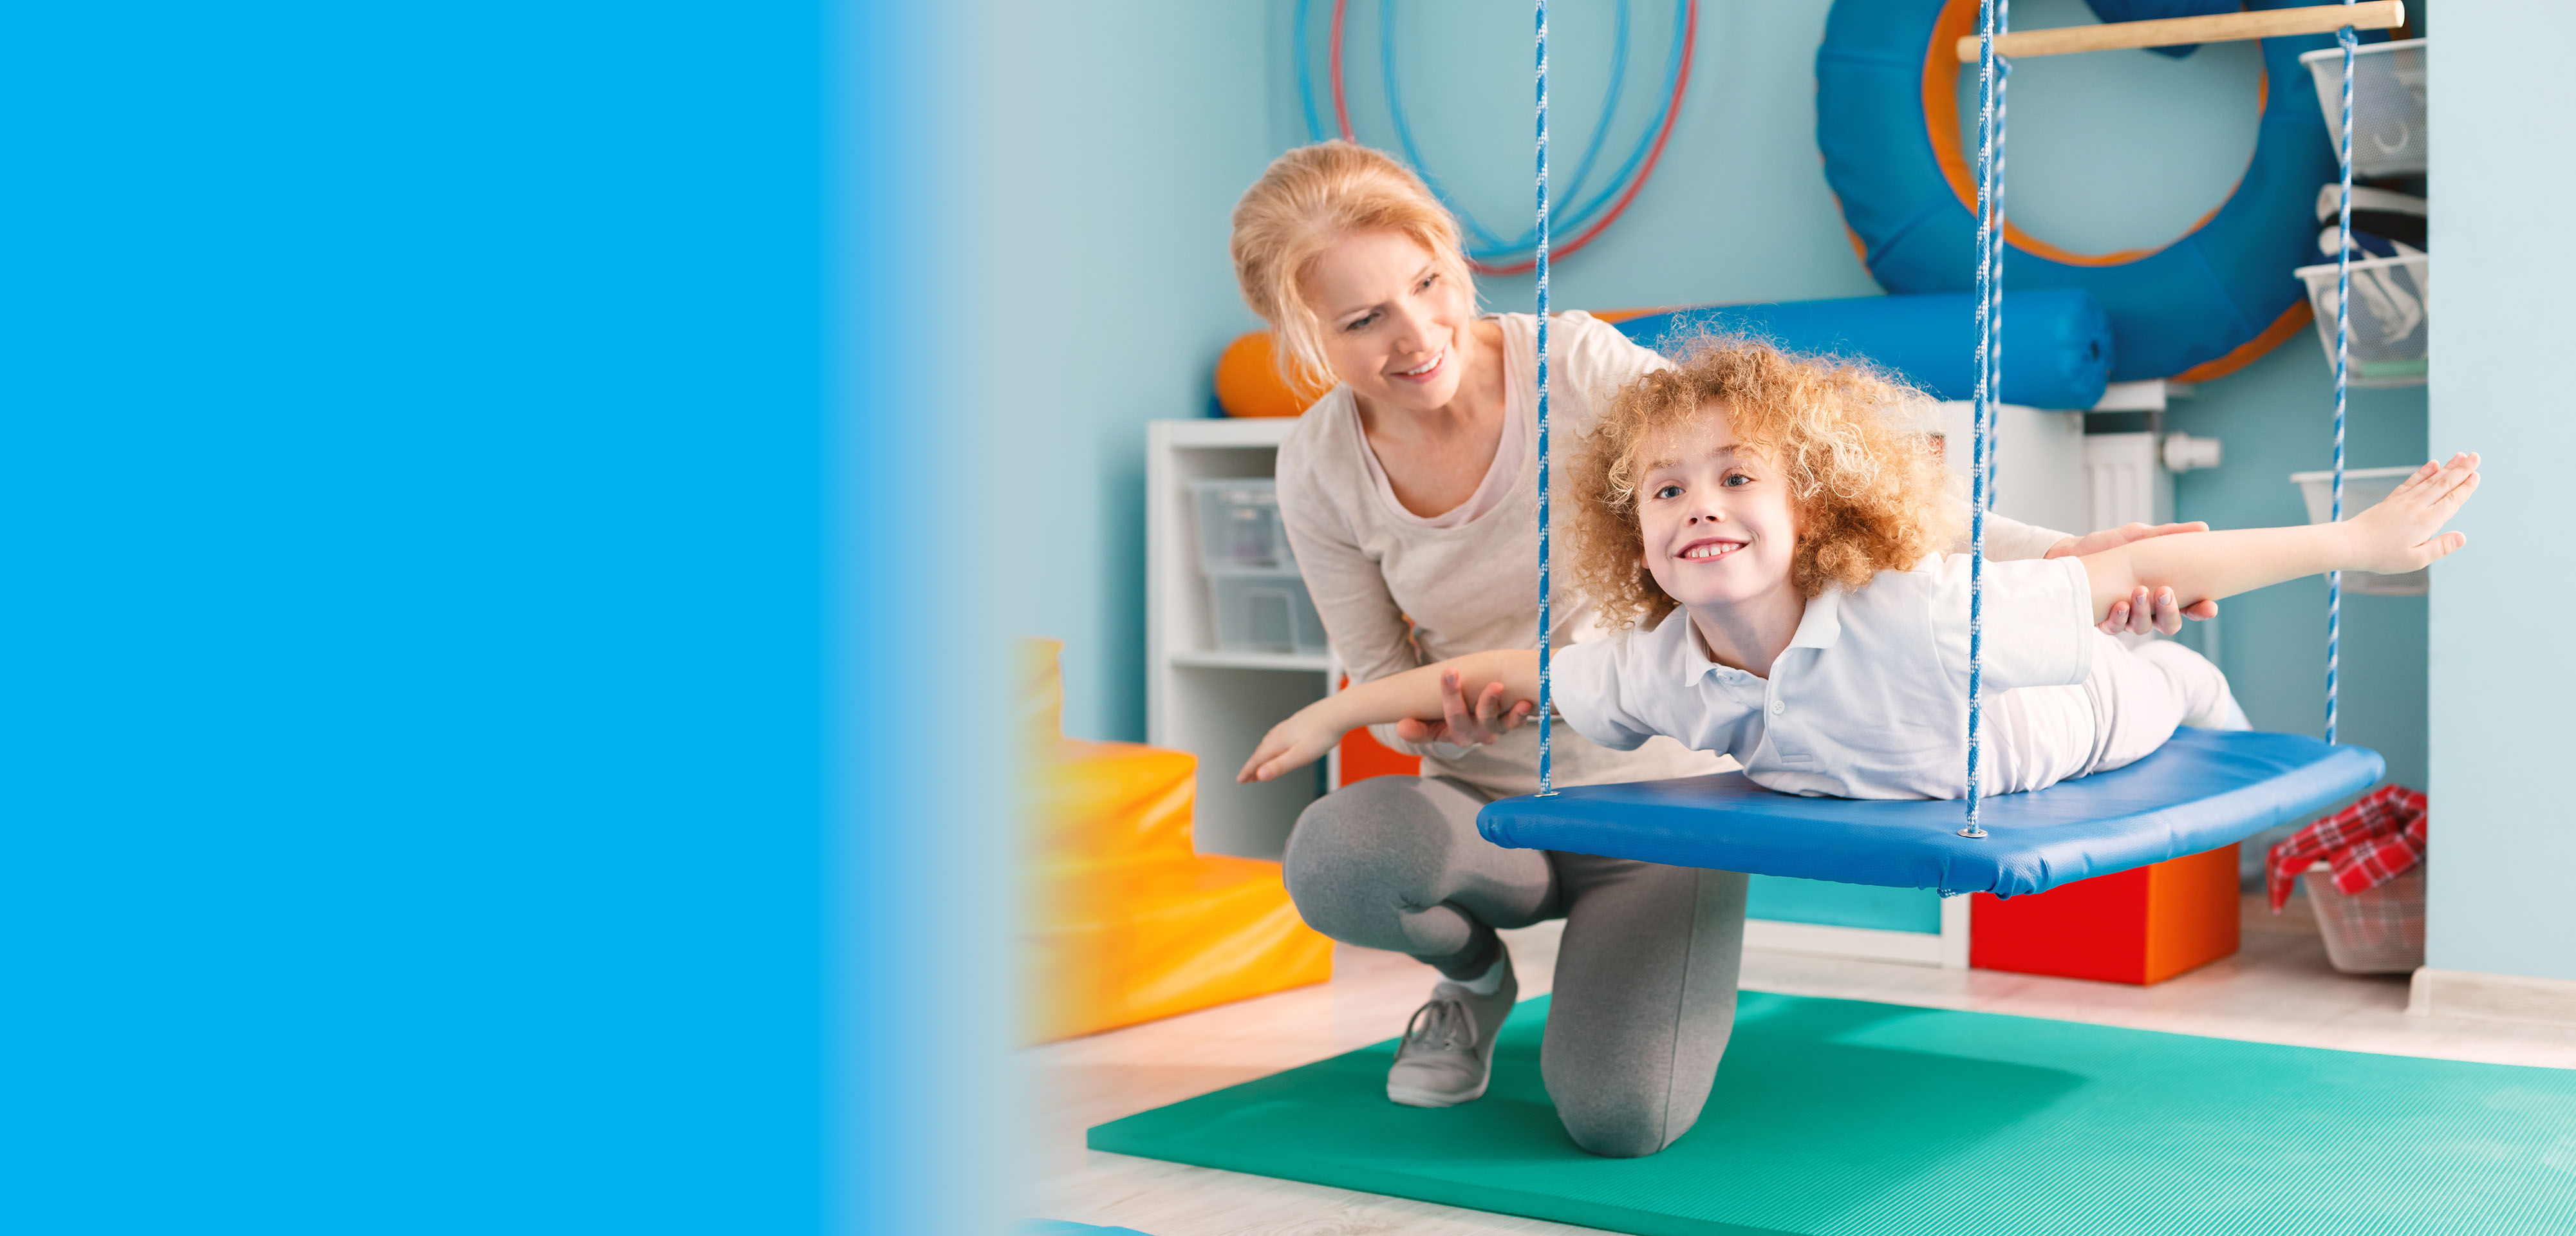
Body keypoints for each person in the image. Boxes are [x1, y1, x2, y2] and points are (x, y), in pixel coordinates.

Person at [1227, 140, 2211, 1158]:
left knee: (1619, 1119)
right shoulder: (1317, 466)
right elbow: (1382, 684)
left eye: (1427, 284)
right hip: (1485, 808)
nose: (1418, 332)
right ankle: (1474, 982)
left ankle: (1619, 984)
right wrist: (1425, 714)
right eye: (1362, 320)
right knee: (1339, 857)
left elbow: (1826, 488)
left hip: (1662, 802)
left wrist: (2061, 552)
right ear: (1301, 335)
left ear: (1450, 259)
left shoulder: (1571, 365)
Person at [1240, 340, 2478, 803]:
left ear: (1809, 509)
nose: (1698, 510)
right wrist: (1337, 707)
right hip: (1924, 744)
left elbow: (2143, 564)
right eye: (1666, 492)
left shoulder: (1914, 611)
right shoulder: (1660, 668)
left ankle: (2193, 693)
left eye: (1737, 481)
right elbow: (1509, 669)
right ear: (1634, 531)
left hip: (2071, 724)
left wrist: (2355, 544)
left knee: (2148, 675)